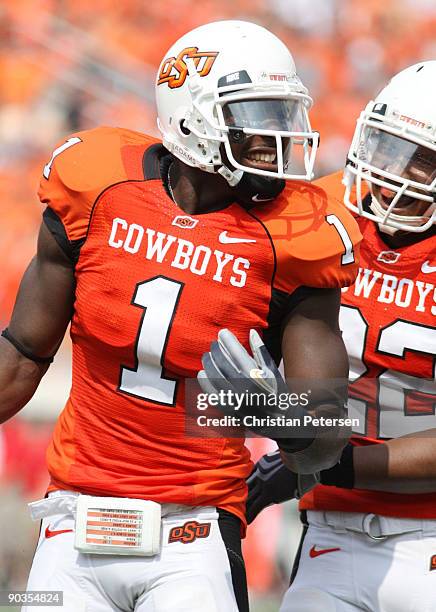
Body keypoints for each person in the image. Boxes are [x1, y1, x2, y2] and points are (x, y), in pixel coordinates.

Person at [0, 20, 360, 612]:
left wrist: (269, 408)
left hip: (194, 534)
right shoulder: (98, 184)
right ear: (193, 120)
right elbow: (21, 355)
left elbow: (321, 434)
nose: (279, 139)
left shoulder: (295, 233)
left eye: (282, 116)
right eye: (258, 118)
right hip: (71, 520)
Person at [246, 61, 436, 612]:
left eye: (419, 162)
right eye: (385, 146)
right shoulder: (320, 214)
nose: (390, 173)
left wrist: (322, 461)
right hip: (327, 535)